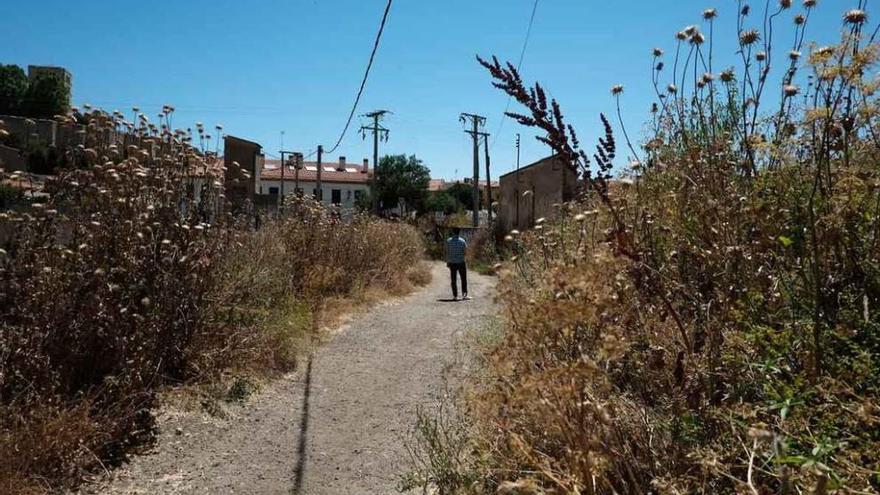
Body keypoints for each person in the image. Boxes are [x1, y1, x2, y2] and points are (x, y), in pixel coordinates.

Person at [445, 227, 469, 301]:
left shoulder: (448, 241)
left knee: (453, 279)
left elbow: (447, 252)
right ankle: (464, 294)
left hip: (452, 262)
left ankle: (455, 296)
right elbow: (465, 252)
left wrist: (448, 261)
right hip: (461, 262)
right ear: (459, 232)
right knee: (463, 278)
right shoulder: (462, 241)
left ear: (453, 232)